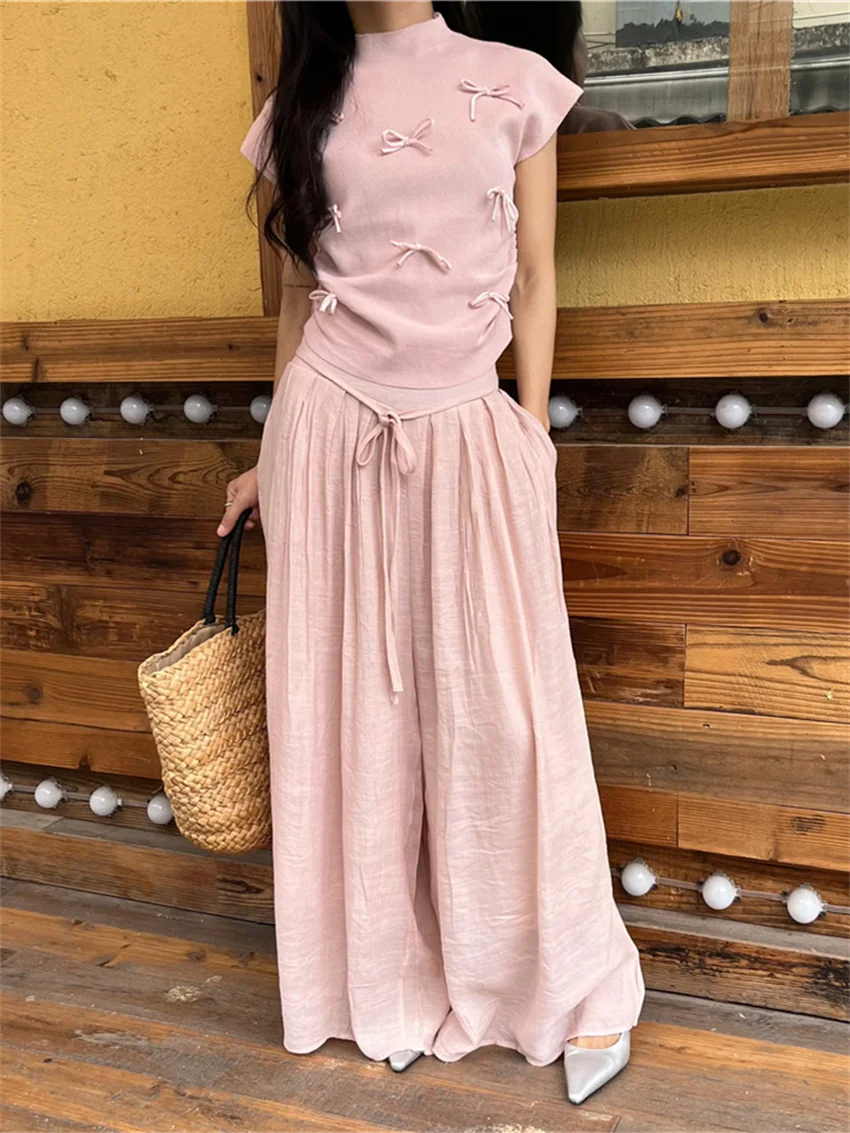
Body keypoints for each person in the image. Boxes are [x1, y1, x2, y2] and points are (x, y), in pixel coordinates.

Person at [221, 0, 645, 1107]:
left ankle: (566, 976)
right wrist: (269, 458)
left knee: (506, 714)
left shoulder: (515, 82)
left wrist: (530, 430)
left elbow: (537, 276)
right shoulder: (302, 103)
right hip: (324, 429)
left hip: (468, 426)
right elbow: (302, 293)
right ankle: (386, 976)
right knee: (350, 714)